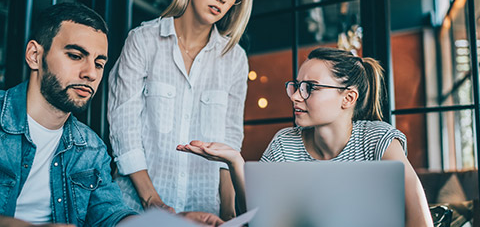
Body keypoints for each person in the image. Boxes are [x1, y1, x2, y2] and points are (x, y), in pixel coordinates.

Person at [0, 2, 223, 227]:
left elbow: (111, 216)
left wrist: (169, 223)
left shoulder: (91, 148)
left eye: (99, 64)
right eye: (76, 56)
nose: (90, 73)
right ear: (34, 55)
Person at [177, 47, 435, 227]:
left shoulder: (378, 140)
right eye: (297, 85)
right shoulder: (284, 142)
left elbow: (419, 220)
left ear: (348, 98)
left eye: (309, 88)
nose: (295, 96)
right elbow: (256, 219)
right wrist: (236, 162)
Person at [107, 0, 258, 220]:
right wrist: (152, 201)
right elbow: (124, 130)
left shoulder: (235, 59)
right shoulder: (142, 41)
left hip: (204, 212)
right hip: (137, 211)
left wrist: (227, 212)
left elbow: (230, 141)